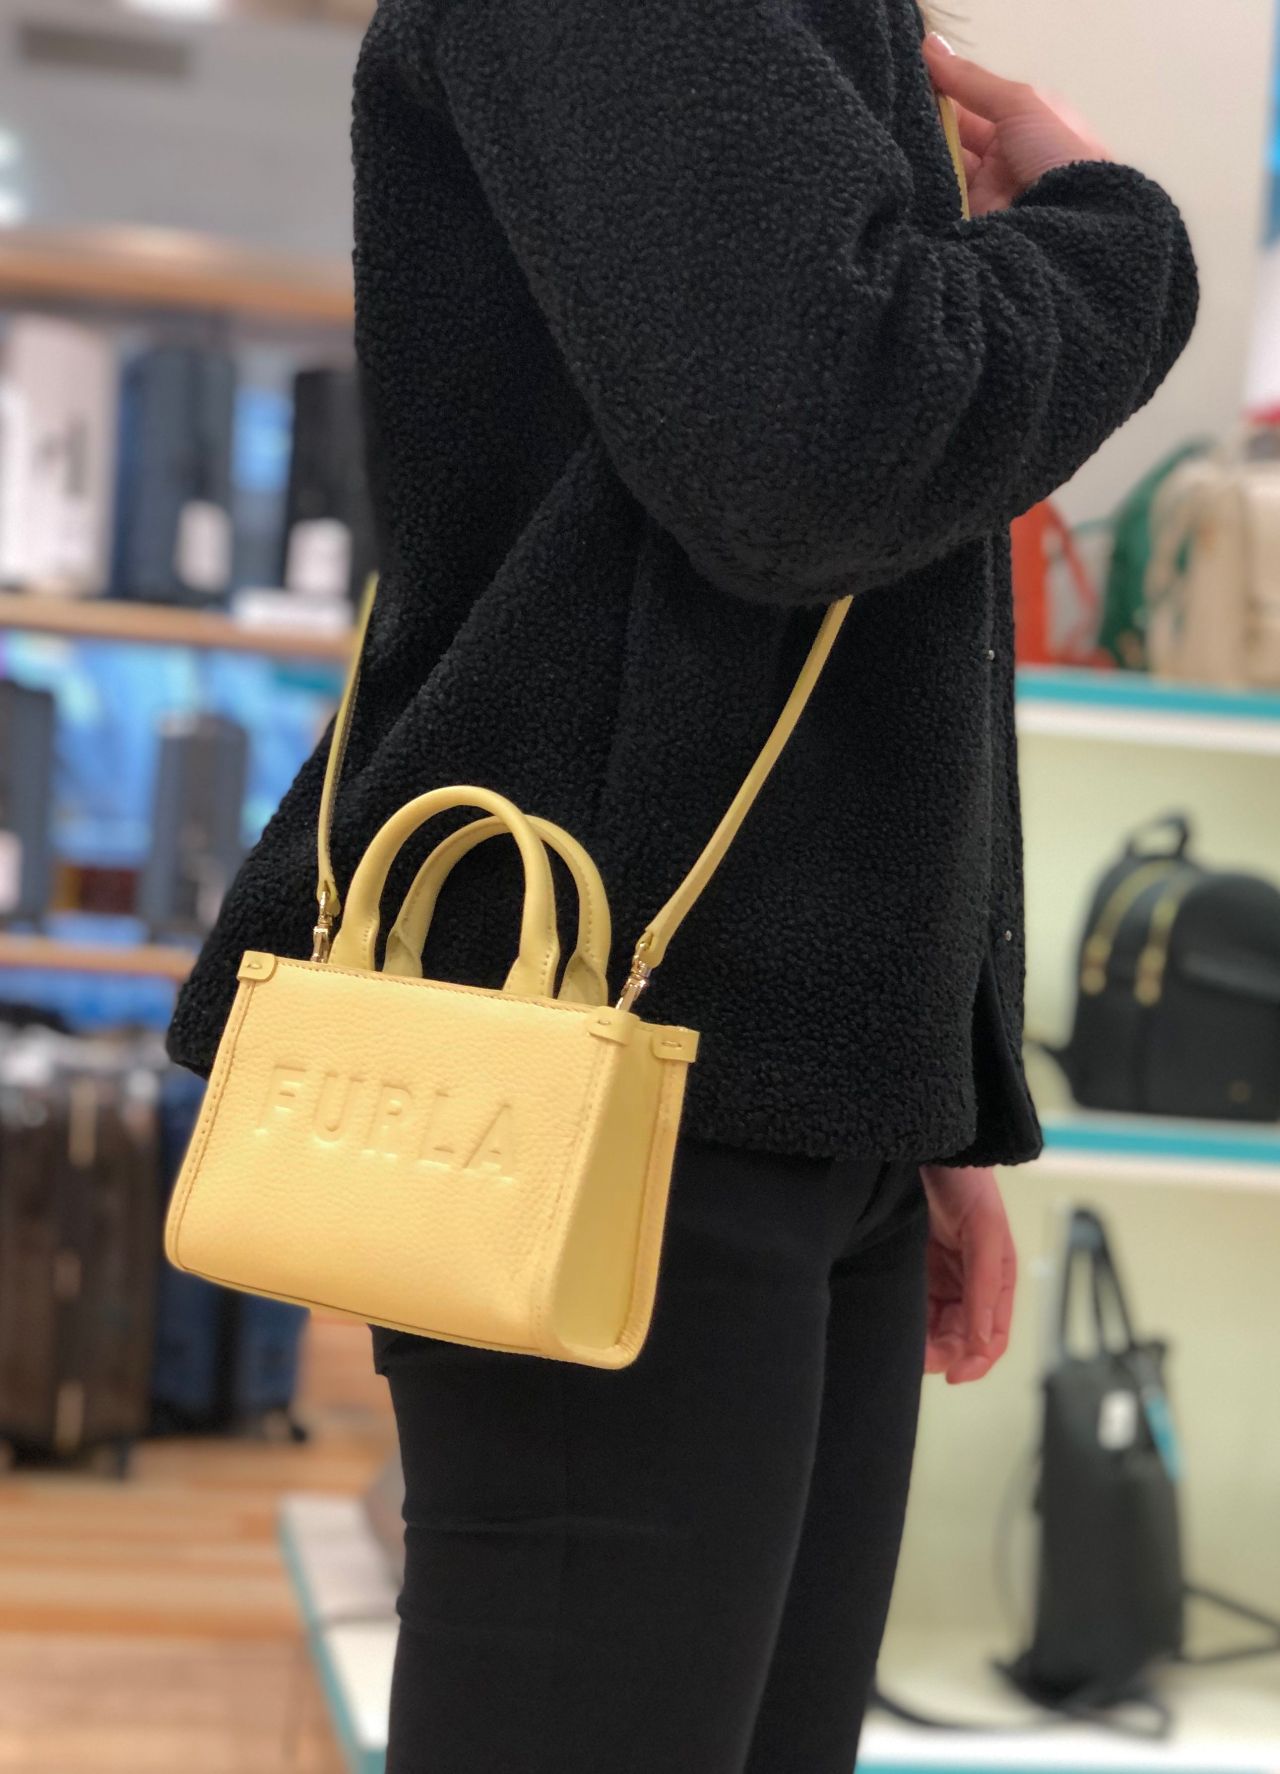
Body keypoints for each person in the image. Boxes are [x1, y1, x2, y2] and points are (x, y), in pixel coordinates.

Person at [168, 2, 1197, 1768]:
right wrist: (1112, 235)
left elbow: (856, 591)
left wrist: (920, 1070)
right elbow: (825, 438)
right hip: (620, 1071)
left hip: (757, 1073)